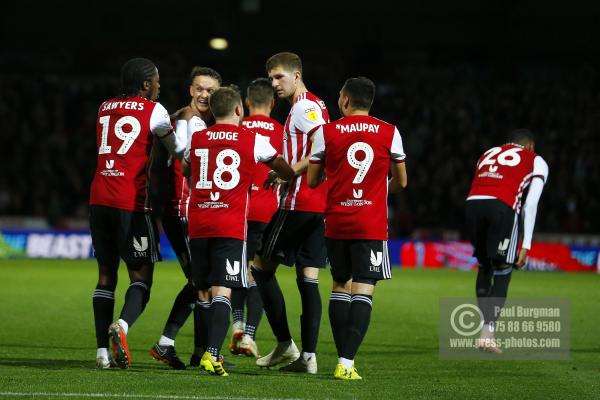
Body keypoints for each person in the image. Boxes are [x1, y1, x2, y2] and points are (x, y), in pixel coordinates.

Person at [182, 86, 294, 376]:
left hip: (199, 222)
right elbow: (281, 166)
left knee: (203, 290)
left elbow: (185, 169)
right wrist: (284, 175)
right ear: (238, 111)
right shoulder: (252, 139)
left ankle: (203, 351)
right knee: (223, 289)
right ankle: (213, 355)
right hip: (229, 225)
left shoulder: (197, 139)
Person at [307, 77, 407, 380]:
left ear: (346, 100)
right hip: (370, 222)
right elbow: (402, 181)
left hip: (337, 220)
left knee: (340, 284)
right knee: (364, 288)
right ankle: (346, 363)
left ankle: (341, 358)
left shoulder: (326, 132)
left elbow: (312, 181)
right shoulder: (390, 132)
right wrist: (378, 190)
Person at [90, 57, 186, 369]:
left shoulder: (104, 107)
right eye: (157, 80)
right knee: (141, 279)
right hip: (130, 203)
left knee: (106, 275)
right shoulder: (154, 110)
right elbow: (177, 150)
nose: (160, 86)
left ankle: (102, 353)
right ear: (145, 84)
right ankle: (122, 325)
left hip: (98, 197)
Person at [252, 52, 329, 374]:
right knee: (307, 277)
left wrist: (290, 172)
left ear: (296, 75)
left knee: (260, 268)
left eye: (279, 77)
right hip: (318, 206)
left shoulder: (304, 108)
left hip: (298, 203)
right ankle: (308, 358)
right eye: (270, 78)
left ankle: (285, 344)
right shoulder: (317, 104)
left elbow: (323, 146)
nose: (274, 84)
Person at [149, 67, 222, 370]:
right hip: (183, 210)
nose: (205, 95)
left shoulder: (194, 120)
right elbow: (184, 161)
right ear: (191, 90)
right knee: (200, 280)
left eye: (211, 91)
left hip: (186, 210)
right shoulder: (186, 122)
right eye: (200, 89)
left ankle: (199, 352)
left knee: (201, 281)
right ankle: (167, 344)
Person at [465, 129, 548, 353]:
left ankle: (484, 332)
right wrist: (526, 244)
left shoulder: (488, 152)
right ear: (530, 146)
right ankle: (487, 335)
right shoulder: (536, 160)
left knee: (484, 267)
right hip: (501, 206)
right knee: (503, 269)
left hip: (472, 205)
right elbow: (530, 205)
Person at [229, 78, 284, 358]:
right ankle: (248, 335)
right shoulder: (282, 132)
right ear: (273, 103)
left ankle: (237, 324)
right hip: (267, 212)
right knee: (258, 274)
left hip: (237, 210)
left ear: (246, 103)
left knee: (238, 270)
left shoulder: (236, 129)